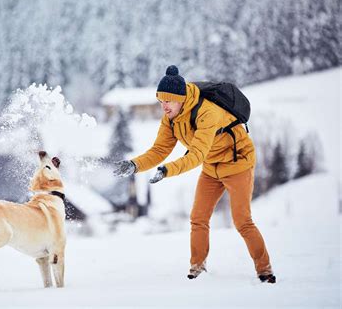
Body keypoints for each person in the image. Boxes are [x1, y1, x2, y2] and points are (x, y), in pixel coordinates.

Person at [113, 65, 275, 283]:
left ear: (181, 98)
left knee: (242, 221)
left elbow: (196, 155)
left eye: (168, 101)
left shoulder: (208, 113)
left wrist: (167, 170)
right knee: (198, 218)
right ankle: (197, 266)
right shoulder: (170, 118)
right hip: (211, 167)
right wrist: (134, 165)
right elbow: (160, 150)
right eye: (161, 101)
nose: (164, 106)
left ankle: (264, 269)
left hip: (238, 165)